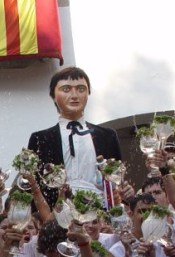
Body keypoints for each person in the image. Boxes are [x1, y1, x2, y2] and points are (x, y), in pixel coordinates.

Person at [28, 66, 122, 207]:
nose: (74, 95)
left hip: (99, 213)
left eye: (81, 89)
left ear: (88, 93)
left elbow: (117, 178)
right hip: (57, 212)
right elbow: (35, 183)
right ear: (53, 96)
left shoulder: (107, 136)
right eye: (66, 89)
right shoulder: (40, 139)